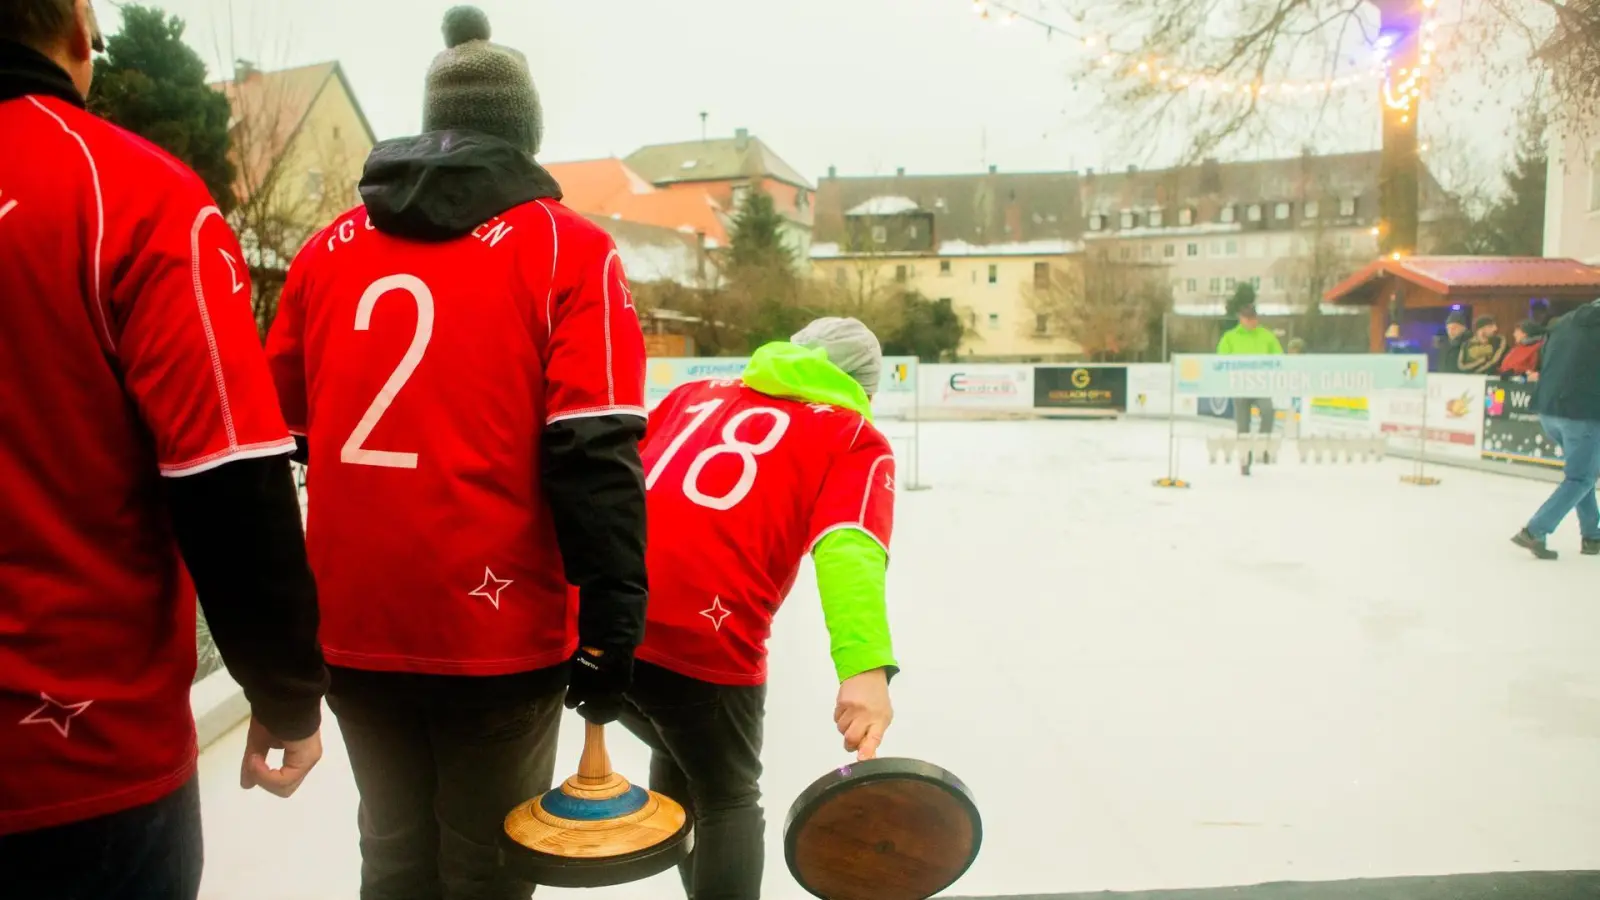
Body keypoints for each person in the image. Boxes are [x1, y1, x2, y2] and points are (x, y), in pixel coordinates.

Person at [264, 7, 649, 898]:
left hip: (355, 623)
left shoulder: (327, 251)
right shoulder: (569, 248)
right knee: (488, 866)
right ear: (526, 132)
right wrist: (615, 624)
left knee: (393, 858)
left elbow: (279, 433)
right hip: (497, 632)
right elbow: (592, 451)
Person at [0, 2, 329, 897]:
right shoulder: (129, 194)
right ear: (74, 30)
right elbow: (225, 478)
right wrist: (287, 692)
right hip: (78, 767)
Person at [625, 318, 899, 900]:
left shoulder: (693, 394)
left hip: (596, 619)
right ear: (865, 389)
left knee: (685, 747)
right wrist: (864, 667)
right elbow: (850, 547)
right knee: (727, 797)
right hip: (706, 638)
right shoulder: (853, 435)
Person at [1512, 301, 1600, 560]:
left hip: (1549, 409)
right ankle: (1535, 530)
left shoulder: (1564, 322)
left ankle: (1592, 536)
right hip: (1581, 411)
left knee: (1582, 473)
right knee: (1581, 478)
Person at [1217, 304, 1284, 471]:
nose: (1250, 322)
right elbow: (1220, 359)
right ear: (1241, 318)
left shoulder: (1267, 336)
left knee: (1268, 411)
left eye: (1253, 318)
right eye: (1247, 318)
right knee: (1243, 425)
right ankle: (1245, 460)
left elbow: (1279, 358)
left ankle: (1262, 445)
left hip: (1261, 385)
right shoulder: (1230, 337)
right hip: (1240, 387)